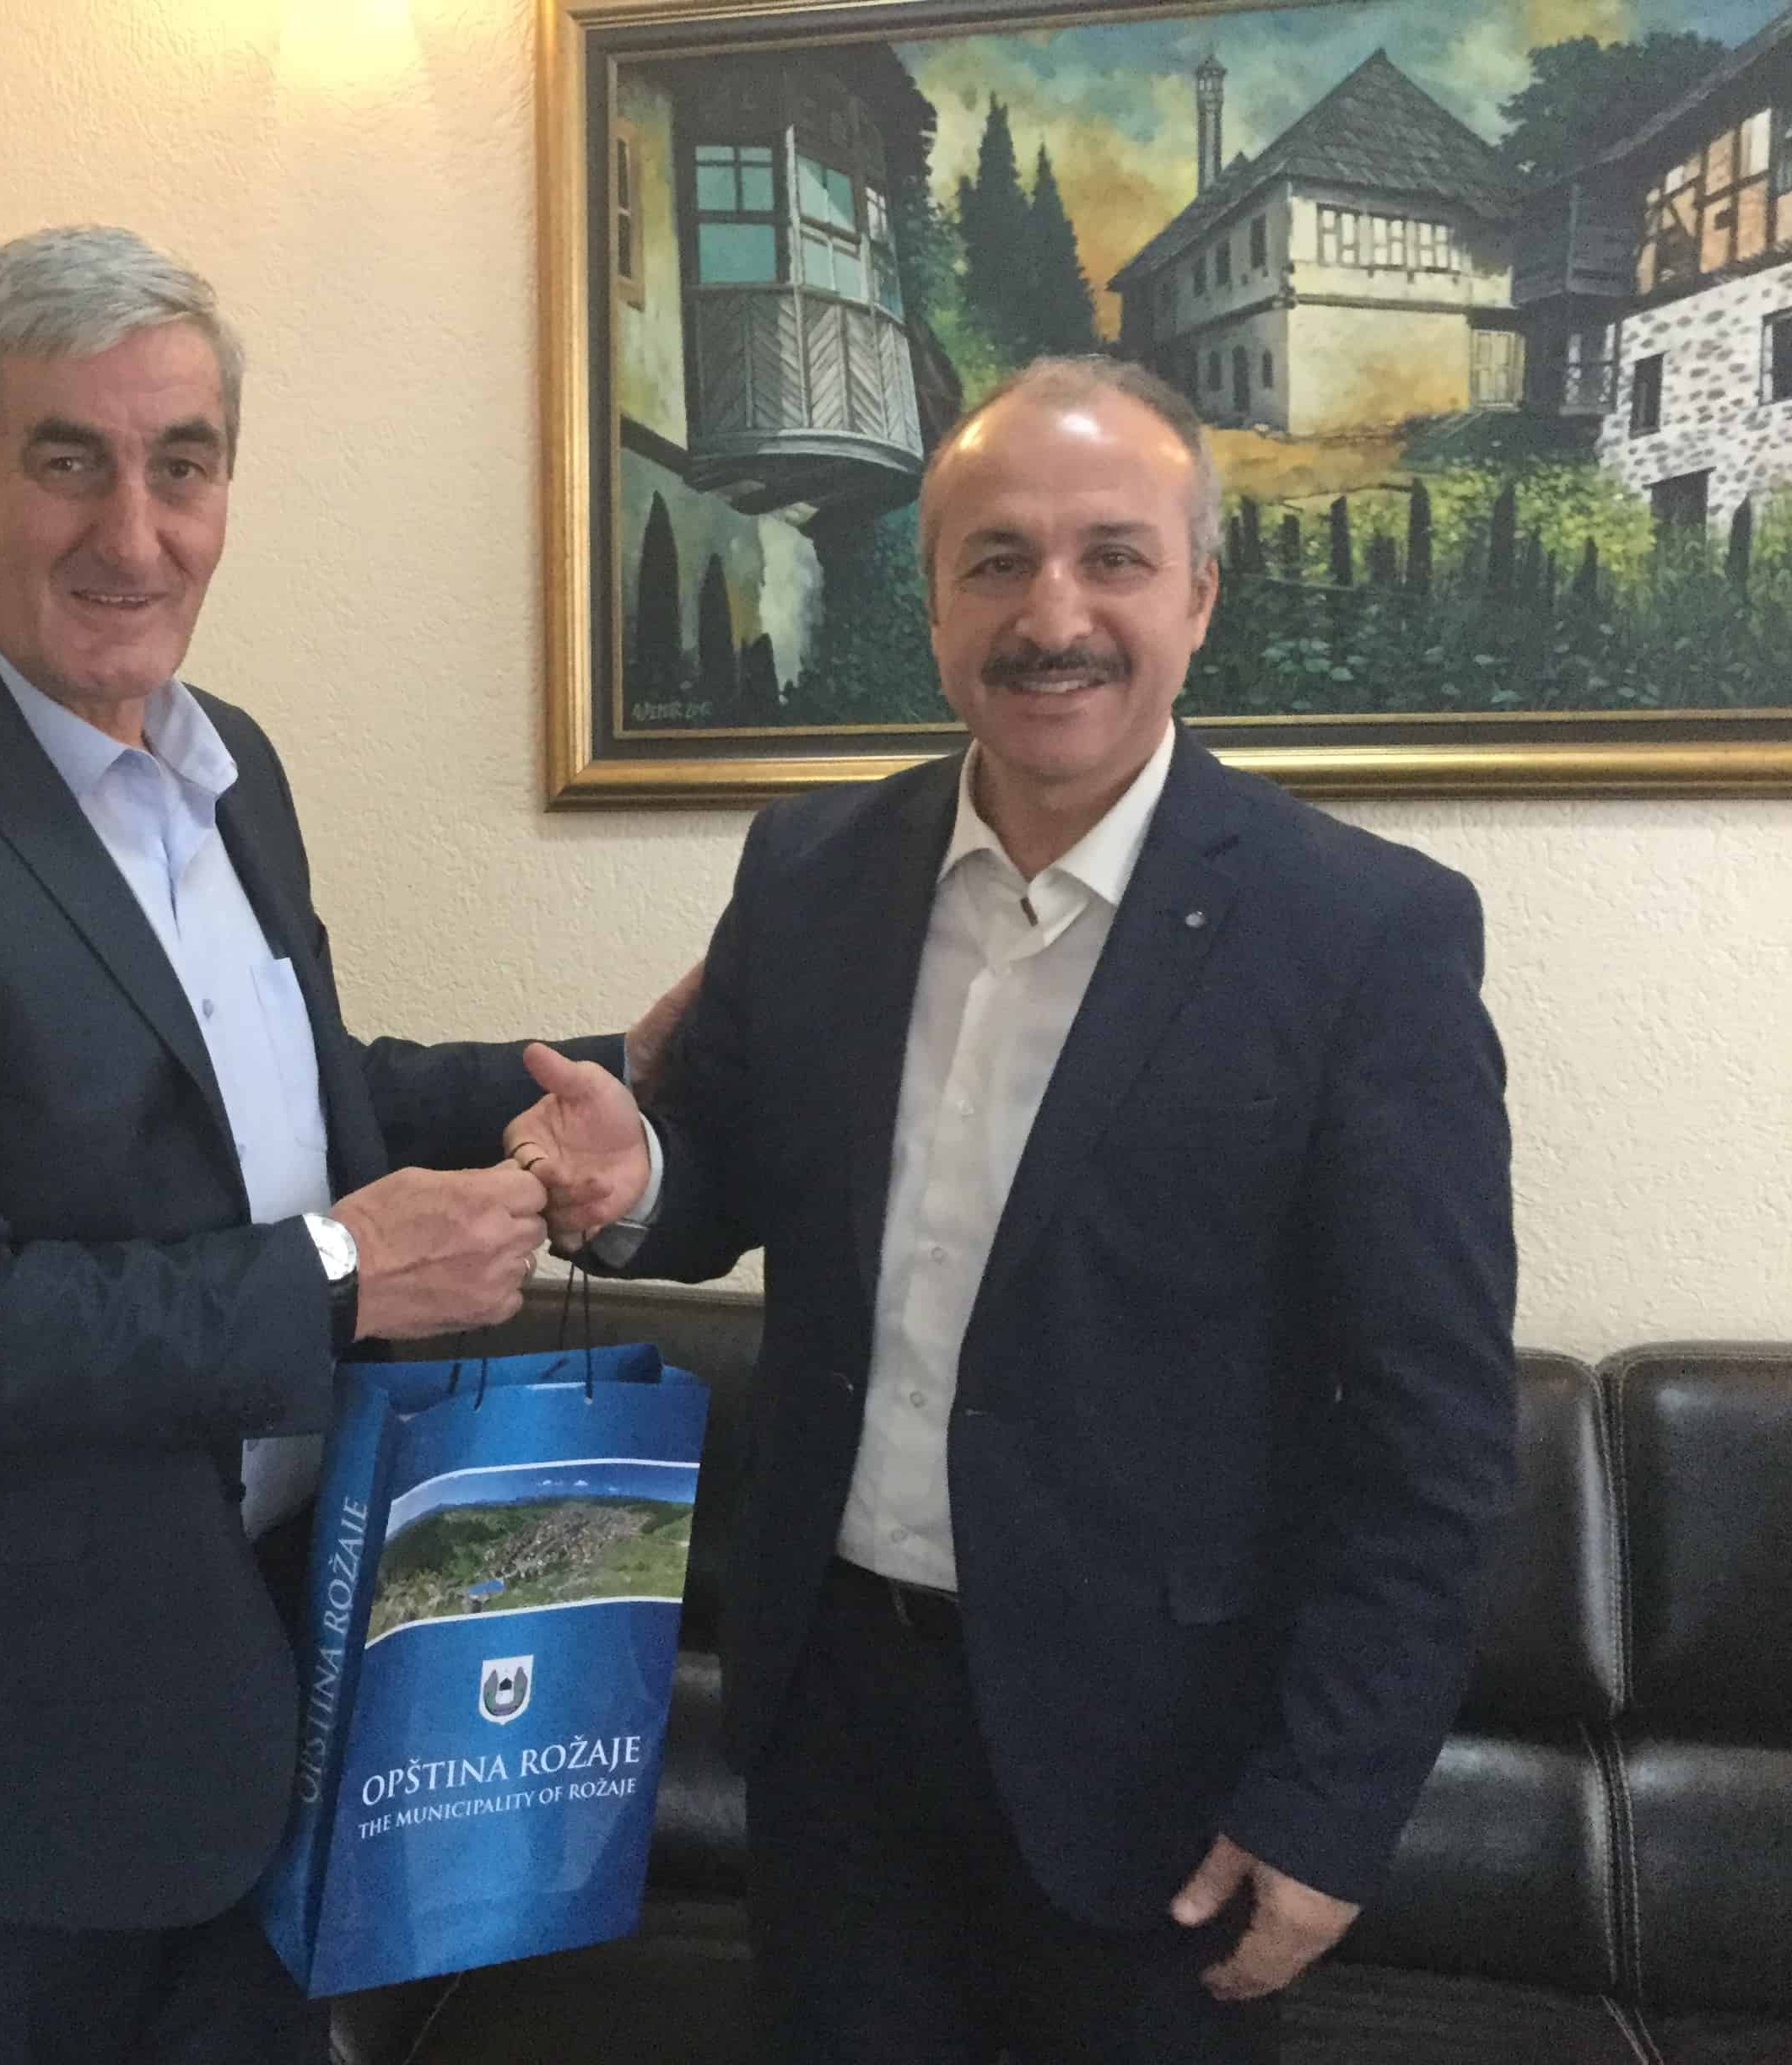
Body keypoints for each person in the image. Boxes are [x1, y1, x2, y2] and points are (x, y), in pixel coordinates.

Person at [0, 224, 673, 2064]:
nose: (135, 533)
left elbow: (275, 1099)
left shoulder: (222, 762)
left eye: (182, 466)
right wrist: (345, 1274)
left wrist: (600, 1070)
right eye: (68, 461)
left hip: (247, 1714)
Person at [504, 357, 1517, 2063]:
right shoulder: (808, 871)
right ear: (932, 607)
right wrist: (635, 1177)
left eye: (1114, 557)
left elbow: (1437, 1430)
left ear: (1199, 594)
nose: (1054, 616)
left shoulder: (1363, 937)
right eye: (997, 561)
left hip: (1160, 1773)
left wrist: (1332, 1803)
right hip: (831, 1725)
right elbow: (723, 1177)